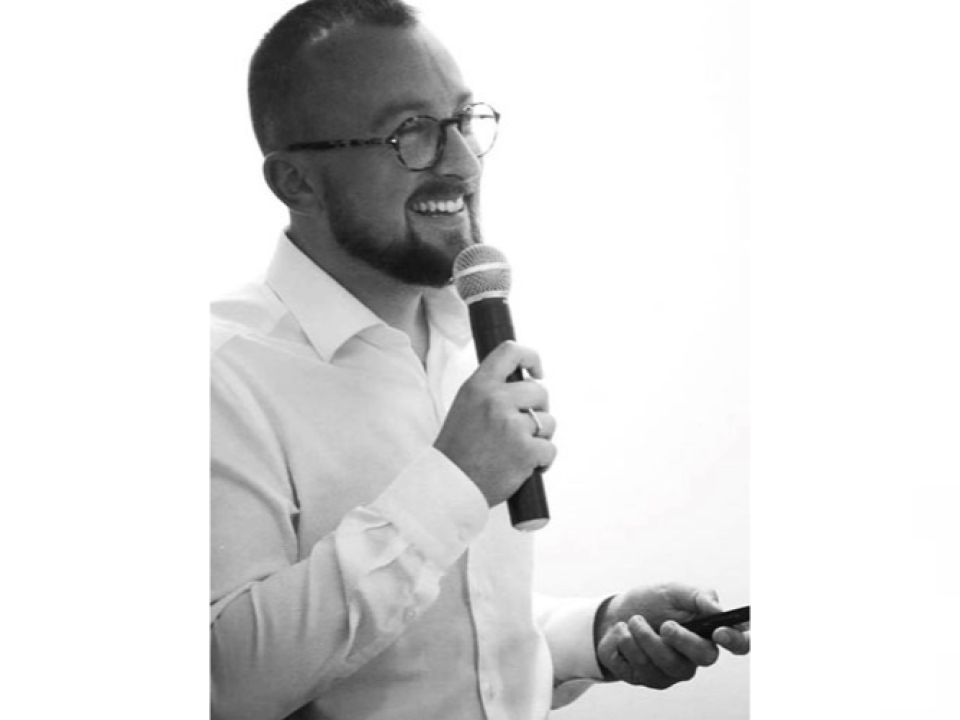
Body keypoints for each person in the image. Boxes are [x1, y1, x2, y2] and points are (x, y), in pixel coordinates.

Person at [210, 1, 750, 718]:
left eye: (464, 121)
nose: (464, 163)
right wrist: (455, 480)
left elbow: (447, 640)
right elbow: (224, 681)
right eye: (411, 132)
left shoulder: (466, 336)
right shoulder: (218, 375)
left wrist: (597, 630)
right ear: (295, 182)